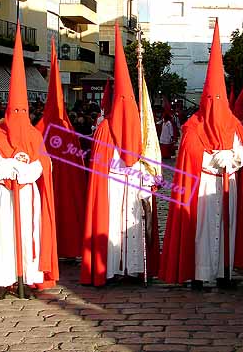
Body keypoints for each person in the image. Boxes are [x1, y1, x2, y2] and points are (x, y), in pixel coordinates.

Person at [159, 21, 243, 288]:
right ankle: (199, 274)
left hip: (228, 183)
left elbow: (241, 153)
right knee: (200, 228)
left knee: (228, 226)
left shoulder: (234, 124)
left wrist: (231, 159)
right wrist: (213, 160)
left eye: (219, 100)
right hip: (202, 185)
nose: (215, 106)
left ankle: (225, 273)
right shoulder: (192, 126)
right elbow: (189, 156)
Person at [0, 27, 58, 299]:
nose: (19, 115)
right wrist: (17, 169)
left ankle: (27, 277)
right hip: (3, 196)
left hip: (27, 196)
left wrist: (22, 170)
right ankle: (0, 278)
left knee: (27, 236)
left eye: (23, 111)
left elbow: (43, 165)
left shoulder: (34, 134)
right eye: (15, 111)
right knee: (1, 237)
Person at [80, 24, 160, 287]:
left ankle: (134, 269)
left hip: (133, 188)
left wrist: (145, 176)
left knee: (133, 229)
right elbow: (102, 162)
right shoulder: (104, 128)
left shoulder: (139, 124)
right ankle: (112, 269)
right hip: (112, 189)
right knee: (113, 227)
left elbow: (146, 155)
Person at [36, 40, 88, 259]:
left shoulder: (38, 130)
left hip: (46, 185)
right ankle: (70, 247)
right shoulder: (67, 129)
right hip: (66, 187)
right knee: (67, 211)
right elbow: (79, 163)